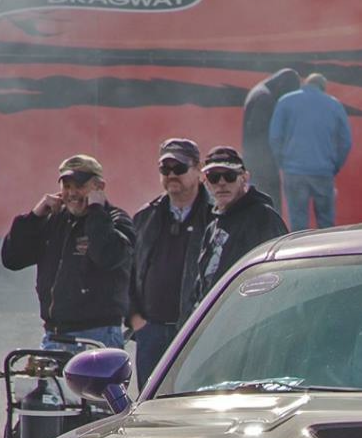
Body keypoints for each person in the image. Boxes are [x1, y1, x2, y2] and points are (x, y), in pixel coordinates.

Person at [0, 153, 134, 350]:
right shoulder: (54, 221)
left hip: (98, 335)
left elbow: (107, 256)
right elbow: (12, 259)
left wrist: (96, 211)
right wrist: (34, 217)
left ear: (99, 187)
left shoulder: (116, 220)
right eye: (66, 186)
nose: (72, 193)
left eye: (79, 186)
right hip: (54, 335)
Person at [127, 138, 212, 386]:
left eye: (180, 168)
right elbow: (126, 273)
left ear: (199, 170)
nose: (172, 175)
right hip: (151, 332)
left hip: (197, 331)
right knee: (149, 406)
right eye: (165, 169)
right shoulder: (145, 216)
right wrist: (134, 319)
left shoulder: (217, 216)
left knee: (196, 400)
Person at [189, 146, 289, 310]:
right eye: (214, 177)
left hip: (248, 318)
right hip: (214, 320)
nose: (222, 183)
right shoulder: (212, 226)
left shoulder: (262, 217)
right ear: (206, 183)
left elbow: (280, 273)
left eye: (229, 176)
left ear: (244, 178)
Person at [269, 72, 352, 231]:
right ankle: (328, 253)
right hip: (323, 172)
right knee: (326, 223)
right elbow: (346, 141)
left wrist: (283, 162)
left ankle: (300, 254)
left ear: (305, 84)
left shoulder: (286, 101)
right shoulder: (334, 105)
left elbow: (275, 137)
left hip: (294, 172)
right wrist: (335, 165)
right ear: (323, 87)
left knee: (298, 222)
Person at [241, 67, 301, 204]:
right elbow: (261, 133)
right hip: (263, 163)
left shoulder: (260, 92)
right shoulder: (265, 99)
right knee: (269, 201)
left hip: (255, 161)